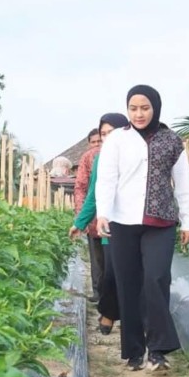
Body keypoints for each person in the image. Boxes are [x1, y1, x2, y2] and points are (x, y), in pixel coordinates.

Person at [95, 85, 189, 372]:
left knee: (156, 278)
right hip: (123, 221)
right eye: (133, 108)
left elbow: (184, 185)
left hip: (160, 221)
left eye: (145, 108)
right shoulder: (116, 140)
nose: (139, 114)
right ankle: (134, 351)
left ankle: (158, 350)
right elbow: (106, 179)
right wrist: (103, 213)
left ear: (156, 108)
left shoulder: (171, 141)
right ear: (128, 110)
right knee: (129, 285)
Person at [70, 113, 130, 335]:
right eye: (102, 134)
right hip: (108, 223)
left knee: (133, 273)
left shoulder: (139, 154)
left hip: (137, 225)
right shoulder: (97, 159)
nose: (106, 138)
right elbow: (90, 191)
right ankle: (108, 313)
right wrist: (81, 220)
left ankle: (131, 317)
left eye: (110, 133)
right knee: (111, 272)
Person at [73, 129, 104, 302]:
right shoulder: (86, 158)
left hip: (112, 218)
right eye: (93, 142)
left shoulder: (115, 153)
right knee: (97, 258)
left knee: (107, 258)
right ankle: (99, 293)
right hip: (94, 218)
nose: (97, 145)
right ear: (88, 144)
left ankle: (108, 295)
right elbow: (81, 188)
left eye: (100, 141)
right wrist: (82, 217)